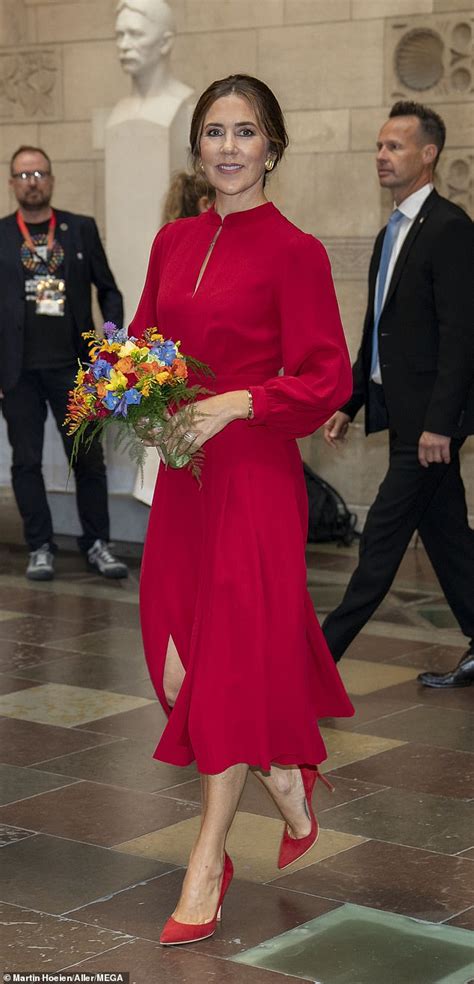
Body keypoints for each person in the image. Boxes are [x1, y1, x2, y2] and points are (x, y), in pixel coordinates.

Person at [129, 74, 354, 945]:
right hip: (185, 477)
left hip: (255, 478)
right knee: (176, 664)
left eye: (246, 132)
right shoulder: (171, 240)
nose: (229, 147)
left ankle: (207, 863)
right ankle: (289, 782)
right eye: (215, 132)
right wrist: (135, 395)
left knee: (220, 671)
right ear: (198, 149)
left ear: (273, 147)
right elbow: (147, 343)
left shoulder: (294, 251)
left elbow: (322, 375)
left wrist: (232, 404)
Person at [322, 101, 474, 690]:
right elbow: (378, 330)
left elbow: (463, 335)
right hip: (404, 414)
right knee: (449, 540)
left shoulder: (451, 227)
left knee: (378, 546)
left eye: (395, 146)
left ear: (428, 154)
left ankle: (312, 666)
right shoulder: (392, 231)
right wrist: (350, 399)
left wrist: (442, 423)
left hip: (429, 428)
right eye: (379, 147)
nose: (381, 156)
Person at [0, 145, 128, 581]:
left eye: (38, 173)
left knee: (89, 459)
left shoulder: (79, 230)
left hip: (74, 368)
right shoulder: (1, 235)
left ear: (51, 180)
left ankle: (98, 543)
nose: (31, 181)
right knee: (26, 462)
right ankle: (40, 545)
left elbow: (109, 291)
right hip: (16, 373)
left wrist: (108, 352)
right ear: (12, 183)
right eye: (22, 174)